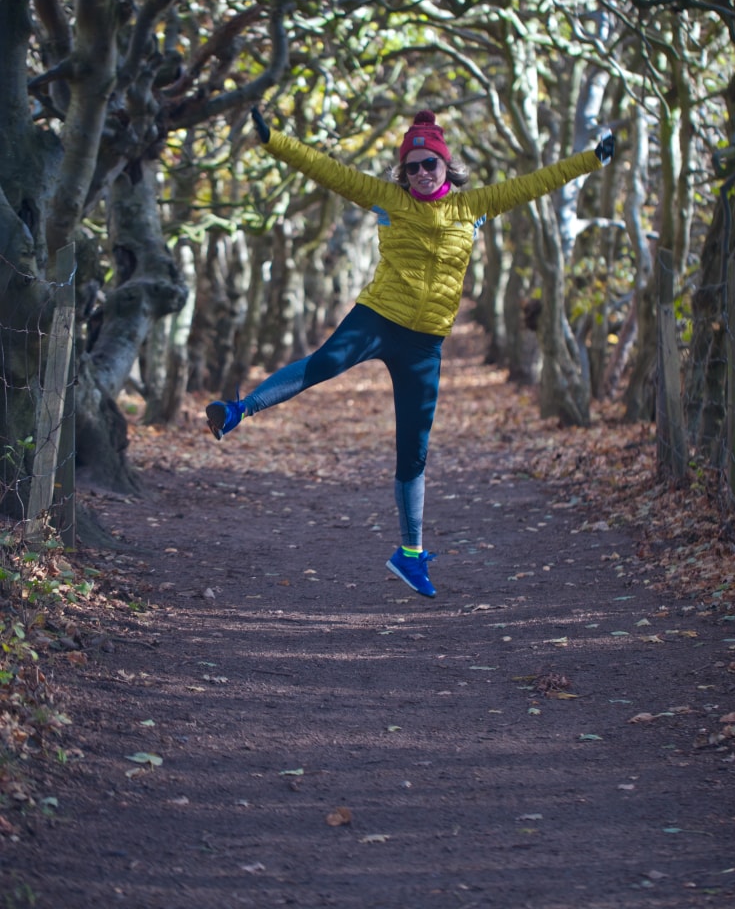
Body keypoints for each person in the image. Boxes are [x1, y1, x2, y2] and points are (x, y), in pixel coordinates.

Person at [206, 107, 615, 598]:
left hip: (426, 343)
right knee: (324, 363)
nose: (422, 173)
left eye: (430, 164)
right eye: (412, 166)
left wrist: (592, 159)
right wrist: (274, 141)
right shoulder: (388, 199)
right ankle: (237, 410)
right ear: (403, 173)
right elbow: (328, 170)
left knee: (414, 450)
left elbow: (536, 183)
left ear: (446, 166)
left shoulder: (474, 206)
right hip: (378, 318)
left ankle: (411, 554)